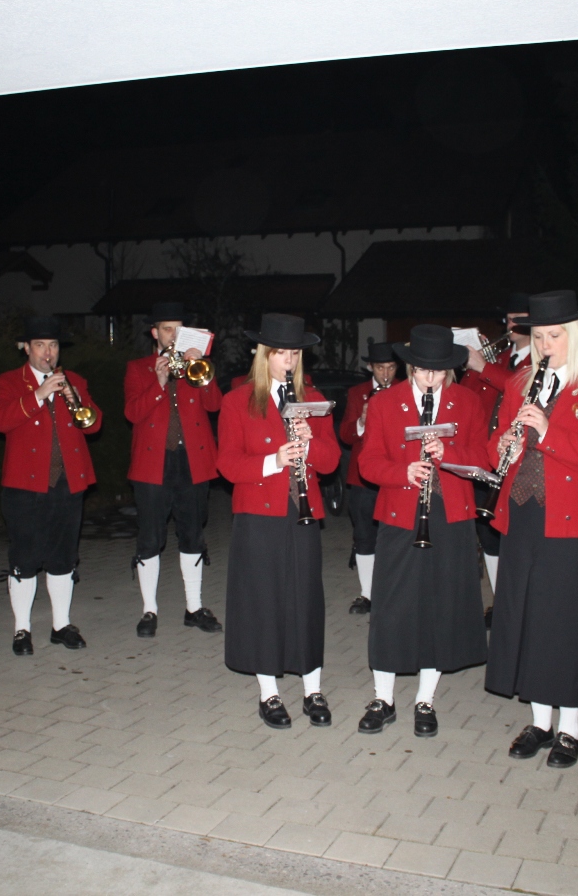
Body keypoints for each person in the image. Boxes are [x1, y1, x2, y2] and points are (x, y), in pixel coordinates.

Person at [485, 291, 578, 769]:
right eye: (540, 337)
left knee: (566, 623)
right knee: (527, 617)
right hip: (523, 513)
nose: (546, 346)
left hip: (574, 522)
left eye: (555, 336)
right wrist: (503, 445)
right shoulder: (519, 383)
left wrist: (547, 432)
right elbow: (495, 445)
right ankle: (540, 721)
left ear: (575, 335)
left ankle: (570, 727)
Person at [355, 325, 488, 737]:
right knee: (392, 606)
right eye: (423, 370)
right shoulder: (384, 402)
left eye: (439, 371)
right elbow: (367, 463)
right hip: (400, 513)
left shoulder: (467, 401)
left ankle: (425, 699)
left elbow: (482, 459)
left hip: (451, 513)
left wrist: (449, 453)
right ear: (410, 367)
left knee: (440, 605)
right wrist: (403, 472)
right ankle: (383, 698)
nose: (431, 379)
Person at [217, 313, 339, 730]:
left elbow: (332, 462)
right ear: (263, 354)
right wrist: (274, 460)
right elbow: (227, 464)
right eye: (281, 353)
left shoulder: (313, 399)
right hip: (258, 512)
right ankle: (268, 691)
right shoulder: (238, 401)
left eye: (294, 354)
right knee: (263, 600)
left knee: (306, 597)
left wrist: (311, 441)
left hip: (303, 511)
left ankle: (312, 688)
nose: (289, 361)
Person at [0, 316, 102, 656]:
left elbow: (94, 425)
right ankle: (22, 629)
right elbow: (0, 420)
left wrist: (74, 396)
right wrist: (38, 394)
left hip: (67, 482)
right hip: (24, 485)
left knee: (64, 557)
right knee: (24, 558)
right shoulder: (8, 382)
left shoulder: (74, 380)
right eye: (39, 345)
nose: (47, 352)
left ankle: (60, 625)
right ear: (26, 348)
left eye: (52, 345)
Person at [124, 302, 223, 638]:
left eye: (179, 330)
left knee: (193, 534)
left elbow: (215, 405)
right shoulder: (138, 368)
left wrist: (201, 366)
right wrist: (159, 381)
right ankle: (149, 609)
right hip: (153, 464)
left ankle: (194, 607)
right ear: (155, 333)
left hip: (193, 461)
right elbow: (132, 413)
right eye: (167, 329)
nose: (173, 335)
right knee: (151, 537)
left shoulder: (196, 364)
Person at [460, 293, 534, 617]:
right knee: (489, 534)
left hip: (520, 459)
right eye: (509, 318)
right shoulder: (500, 358)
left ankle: (520, 602)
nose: (511, 324)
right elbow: (469, 398)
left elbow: (523, 388)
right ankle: (501, 601)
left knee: (515, 534)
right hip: (487, 455)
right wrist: (470, 367)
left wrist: (484, 366)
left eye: (519, 318)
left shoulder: (538, 362)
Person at [338, 337, 398, 614]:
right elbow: (346, 435)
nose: (386, 374)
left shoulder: (405, 390)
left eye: (391, 368)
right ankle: (367, 594)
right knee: (363, 534)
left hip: (395, 473)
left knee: (395, 534)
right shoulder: (357, 393)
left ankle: (392, 590)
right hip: (362, 477)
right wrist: (362, 420)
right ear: (370, 367)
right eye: (380, 368)